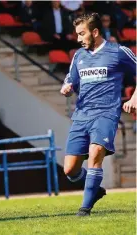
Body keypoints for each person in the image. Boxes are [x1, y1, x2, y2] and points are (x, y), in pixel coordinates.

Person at [60, 13, 136, 216]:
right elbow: (71, 80)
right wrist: (67, 86)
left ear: (95, 32)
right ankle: (96, 190)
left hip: (106, 113)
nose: (78, 39)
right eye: (76, 34)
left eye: (81, 34)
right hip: (81, 115)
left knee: (95, 154)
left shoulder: (118, 52)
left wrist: (134, 97)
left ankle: (84, 209)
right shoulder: (79, 56)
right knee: (70, 170)